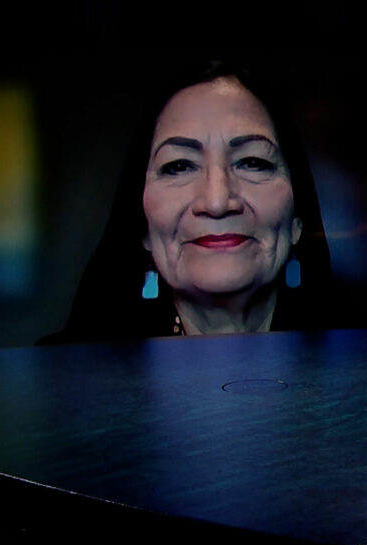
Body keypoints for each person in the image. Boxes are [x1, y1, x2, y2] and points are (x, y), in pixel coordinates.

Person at [41, 58, 333, 343]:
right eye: (179, 166)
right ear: (143, 225)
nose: (217, 202)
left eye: (252, 162)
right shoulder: (62, 378)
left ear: (297, 219)